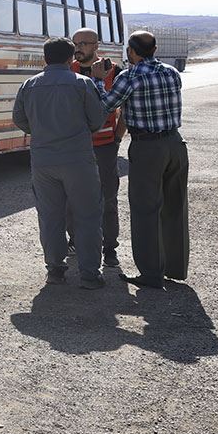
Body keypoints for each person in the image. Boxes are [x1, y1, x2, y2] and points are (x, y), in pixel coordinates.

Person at [92, 30, 187, 290]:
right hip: (175, 144)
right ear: (154, 50)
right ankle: (175, 267)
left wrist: (99, 80)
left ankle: (151, 273)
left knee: (146, 210)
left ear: (131, 52)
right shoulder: (171, 72)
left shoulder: (129, 76)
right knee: (174, 206)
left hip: (147, 147)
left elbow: (104, 106)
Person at [12, 37, 107, 289]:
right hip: (78, 160)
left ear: (45, 58)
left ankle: (55, 270)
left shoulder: (28, 85)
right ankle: (89, 274)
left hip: (43, 161)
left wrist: (42, 131)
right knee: (86, 216)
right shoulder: (82, 83)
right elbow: (97, 120)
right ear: (70, 59)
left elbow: (19, 120)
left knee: (50, 216)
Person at [65, 28, 126, 268]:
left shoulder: (115, 72)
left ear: (96, 46)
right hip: (76, 148)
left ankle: (109, 248)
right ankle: (75, 241)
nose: (78, 48)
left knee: (107, 199)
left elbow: (124, 111)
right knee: (72, 198)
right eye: (75, 43)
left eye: (84, 43)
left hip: (104, 147)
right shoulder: (68, 71)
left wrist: (117, 139)